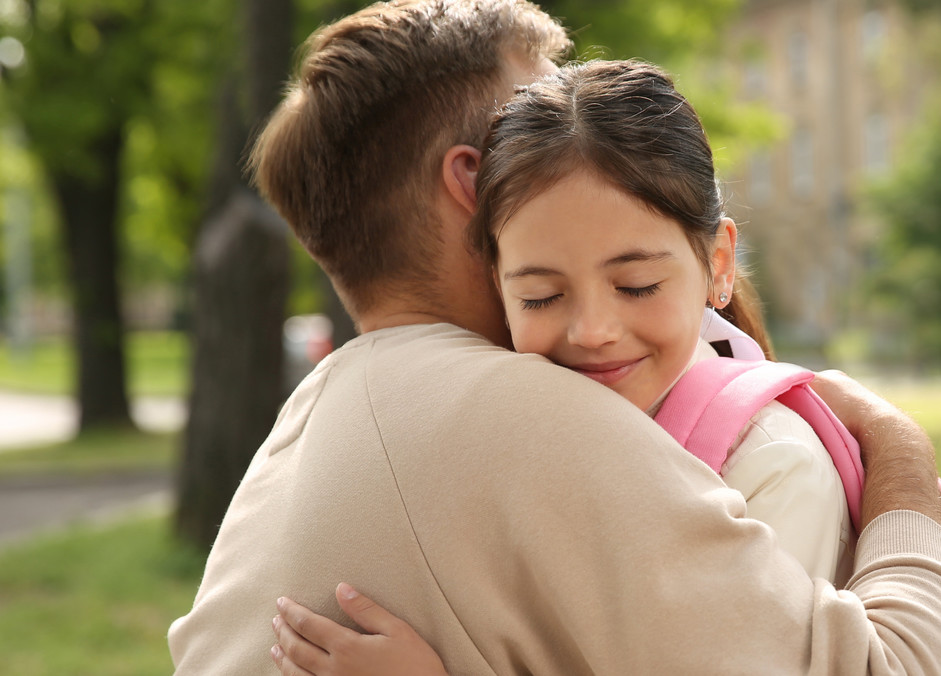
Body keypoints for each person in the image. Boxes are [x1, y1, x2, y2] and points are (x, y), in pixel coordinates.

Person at [168, 2, 941, 675]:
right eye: (534, 112)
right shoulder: (535, 416)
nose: (570, 127)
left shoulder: (293, 442)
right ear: (475, 180)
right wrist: (897, 445)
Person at [269, 59, 859, 674]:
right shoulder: (512, 437)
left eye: (636, 285)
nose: (592, 332)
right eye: (541, 297)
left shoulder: (770, 463)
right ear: (496, 283)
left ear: (718, 264)